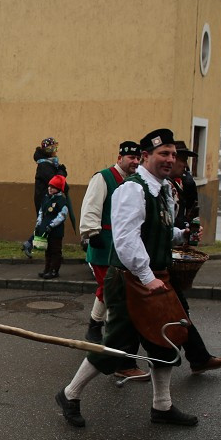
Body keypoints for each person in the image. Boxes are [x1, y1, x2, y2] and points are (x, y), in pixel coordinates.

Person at [55, 129, 199, 429]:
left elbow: (158, 229)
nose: (170, 159)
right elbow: (125, 239)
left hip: (154, 277)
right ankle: (70, 394)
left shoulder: (163, 189)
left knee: (163, 340)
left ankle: (162, 406)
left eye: (173, 154)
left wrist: (181, 234)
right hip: (128, 279)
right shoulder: (132, 190)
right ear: (145, 156)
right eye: (163, 154)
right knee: (116, 344)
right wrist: (147, 277)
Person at [79, 140, 147, 381]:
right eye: (131, 158)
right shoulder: (104, 177)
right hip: (103, 245)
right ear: (120, 157)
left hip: (120, 247)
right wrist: (90, 232)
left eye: (138, 158)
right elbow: (91, 205)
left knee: (108, 291)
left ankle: (95, 328)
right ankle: (111, 346)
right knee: (114, 295)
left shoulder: (134, 182)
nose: (135, 162)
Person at [170, 141, 221, 375]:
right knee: (172, 311)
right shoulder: (158, 185)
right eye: (181, 158)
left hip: (171, 249)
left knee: (176, 310)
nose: (185, 164)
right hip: (151, 261)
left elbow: (190, 212)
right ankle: (120, 361)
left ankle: (198, 357)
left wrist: (189, 231)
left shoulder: (185, 182)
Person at [34, 174, 70, 278]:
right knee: (47, 250)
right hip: (45, 229)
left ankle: (54, 270)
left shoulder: (61, 201)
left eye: (53, 187)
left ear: (58, 189)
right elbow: (41, 212)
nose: (50, 189)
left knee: (55, 251)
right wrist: (39, 224)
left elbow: (62, 215)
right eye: (49, 186)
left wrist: (52, 225)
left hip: (55, 231)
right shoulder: (46, 199)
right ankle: (47, 269)